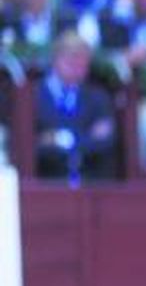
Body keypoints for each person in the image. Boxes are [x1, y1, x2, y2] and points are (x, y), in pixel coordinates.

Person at [34, 32, 116, 180]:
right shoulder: (32, 96)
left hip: (90, 180)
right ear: (56, 59)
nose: (78, 68)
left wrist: (60, 138)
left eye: (83, 63)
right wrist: (85, 137)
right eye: (72, 61)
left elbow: (104, 142)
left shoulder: (98, 97)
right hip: (45, 179)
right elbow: (31, 144)